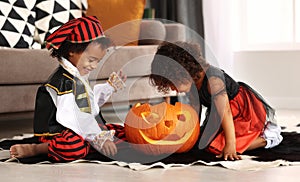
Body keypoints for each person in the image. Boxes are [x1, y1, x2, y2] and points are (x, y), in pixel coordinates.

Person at [9, 16, 127, 162]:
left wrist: (109, 88)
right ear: (72, 51)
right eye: (91, 60)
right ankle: (37, 149)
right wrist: (97, 137)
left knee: (119, 131)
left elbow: (87, 104)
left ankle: (91, 144)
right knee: (74, 145)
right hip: (57, 132)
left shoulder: (78, 75)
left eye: (98, 61)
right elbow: (75, 116)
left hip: (77, 126)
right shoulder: (63, 83)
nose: (94, 66)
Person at [149, 41, 283, 161]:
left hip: (242, 112)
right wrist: (189, 134)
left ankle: (267, 139)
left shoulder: (214, 81)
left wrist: (231, 145)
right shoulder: (192, 83)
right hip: (219, 114)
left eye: (172, 84)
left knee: (219, 147)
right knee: (205, 143)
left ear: (182, 73)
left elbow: (226, 112)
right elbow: (196, 109)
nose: (174, 90)